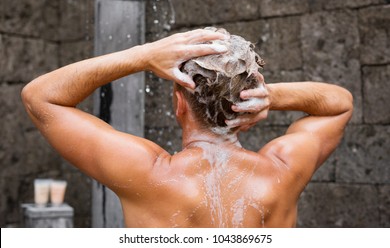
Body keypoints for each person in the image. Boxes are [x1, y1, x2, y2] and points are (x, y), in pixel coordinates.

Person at [21, 28, 353, 228]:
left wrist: (144, 55)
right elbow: (339, 104)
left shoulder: (147, 175)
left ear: (179, 103)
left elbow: (40, 98)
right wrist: (268, 96)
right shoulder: (283, 170)